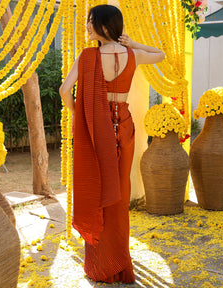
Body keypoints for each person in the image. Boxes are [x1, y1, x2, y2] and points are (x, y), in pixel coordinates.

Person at [59, 4, 165, 284]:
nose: (87, 26)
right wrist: (132, 43)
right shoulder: (132, 55)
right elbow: (161, 54)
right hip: (124, 128)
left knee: (96, 191)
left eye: (91, 22)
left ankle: (99, 265)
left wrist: (80, 116)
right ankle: (119, 263)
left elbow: (63, 91)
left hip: (97, 131)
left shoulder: (86, 57)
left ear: (105, 25)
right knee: (119, 195)